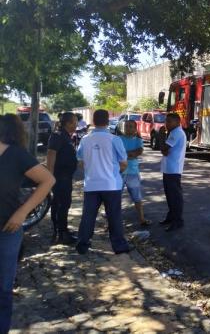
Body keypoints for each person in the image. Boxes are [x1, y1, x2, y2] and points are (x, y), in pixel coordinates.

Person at [0, 114, 55, 333]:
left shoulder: (15, 155)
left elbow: (48, 180)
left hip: (7, 230)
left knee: (3, 289)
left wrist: (22, 212)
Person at [75, 109, 130, 255]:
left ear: (93, 121)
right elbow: (124, 164)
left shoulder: (85, 139)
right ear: (107, 121)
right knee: (114, 216)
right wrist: (114, 173)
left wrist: (93, 169)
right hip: (111, 185)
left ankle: (82, 245)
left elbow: (80, 162)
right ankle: (119, 246)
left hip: (91, 184)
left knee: (88, 215)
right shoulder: (115, 139)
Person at [46, 112, 79, 244]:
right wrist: (49, 177)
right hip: (60, 177)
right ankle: (61, 234)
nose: (76, 125)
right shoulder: (58, 136)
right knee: (62, 204)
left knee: (61, 204)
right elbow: (50, 154)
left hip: (65, 177)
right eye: (75, 122)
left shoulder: (65, 136)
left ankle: (61, 230)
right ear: (68, 123)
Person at [119, 120, 150, 227]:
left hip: (133, 172)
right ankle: (114, 220)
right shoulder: (118, 139)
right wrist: (130, 154)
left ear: (135, 128)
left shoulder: (138, 140)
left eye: (131, 126)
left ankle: (142, 219)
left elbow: (138, 152)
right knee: (116, 197)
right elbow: (130, 154)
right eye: (126, 126)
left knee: (137, 197)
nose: (128, 128)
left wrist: (124, 154)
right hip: (120, 172)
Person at [160, 113, 187, 232]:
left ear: (177, 122)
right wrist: (164, 149)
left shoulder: (176, 133)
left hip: (173, 170)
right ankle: (171, 217)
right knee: (170, 195)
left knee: (175, 196)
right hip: (169, 169)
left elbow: (164, 149)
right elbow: (165, 152)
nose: (166, 124)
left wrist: (161, 136)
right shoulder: (173, 132)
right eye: (166, 121)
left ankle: (178, 221)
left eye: (169, 121)